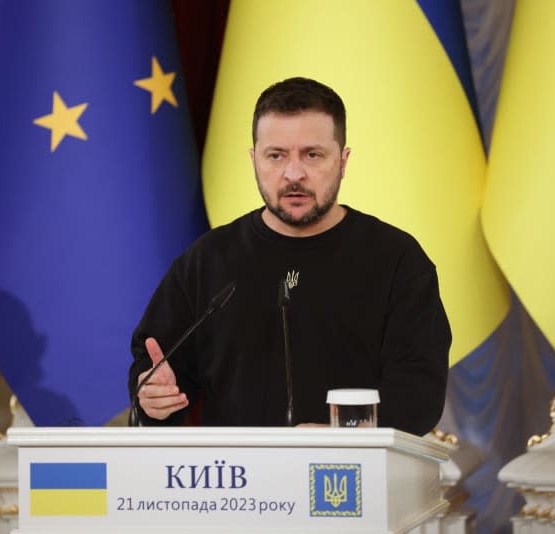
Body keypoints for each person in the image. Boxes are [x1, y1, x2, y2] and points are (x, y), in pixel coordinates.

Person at [129, 77, 451, 436]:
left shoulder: (397, 261)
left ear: (343, 161)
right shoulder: (207, 261)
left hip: (353, 481)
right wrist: (155, 398)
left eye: (312, 155)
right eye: (276, 155)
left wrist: (338, 436)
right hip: (234, 483)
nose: (293, 174)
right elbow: (159, 374)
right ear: (254, 160)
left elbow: (420, 395)